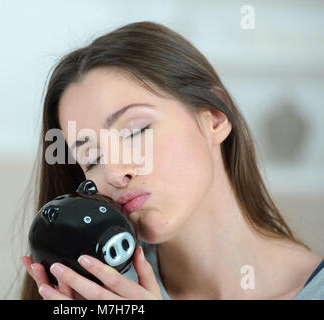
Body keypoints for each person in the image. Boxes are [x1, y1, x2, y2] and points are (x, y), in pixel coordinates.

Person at [19, 21, 323, 300]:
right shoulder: (98, 296)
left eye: (136, 131)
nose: (115, 172)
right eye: (92, 158)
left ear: (215, 118)